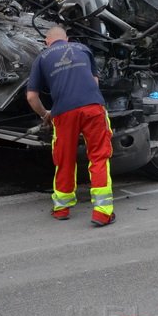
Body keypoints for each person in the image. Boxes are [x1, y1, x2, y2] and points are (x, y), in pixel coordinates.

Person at [26, 26, 115, 227]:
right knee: (99, 156)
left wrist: (45, 115)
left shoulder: (42, 58)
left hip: (63, 112)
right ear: (67, 39)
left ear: (47, 42)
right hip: (93, 107)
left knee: (64, 158)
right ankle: (102, 213)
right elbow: (94, 82)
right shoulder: (83, 48)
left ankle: (61, 209)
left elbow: (31, 96)